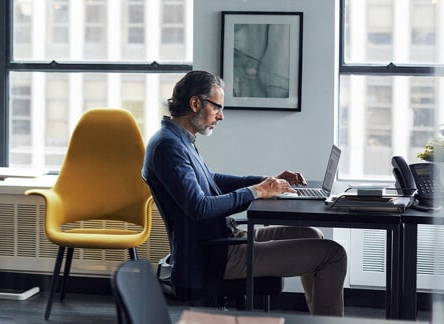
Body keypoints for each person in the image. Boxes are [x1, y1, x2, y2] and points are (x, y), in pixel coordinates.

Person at [142, 70, 347, 316]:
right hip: (214, 255)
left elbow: (212, 179)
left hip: (222, 238)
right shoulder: (168, 146)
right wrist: (257, 191)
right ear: (195, 103)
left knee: (313, 234)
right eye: (217, 107)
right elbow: (199, 207)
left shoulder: (179, 139)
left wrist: (267, 181)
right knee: (334, 254)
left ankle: (320, 321)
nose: (221, 116)